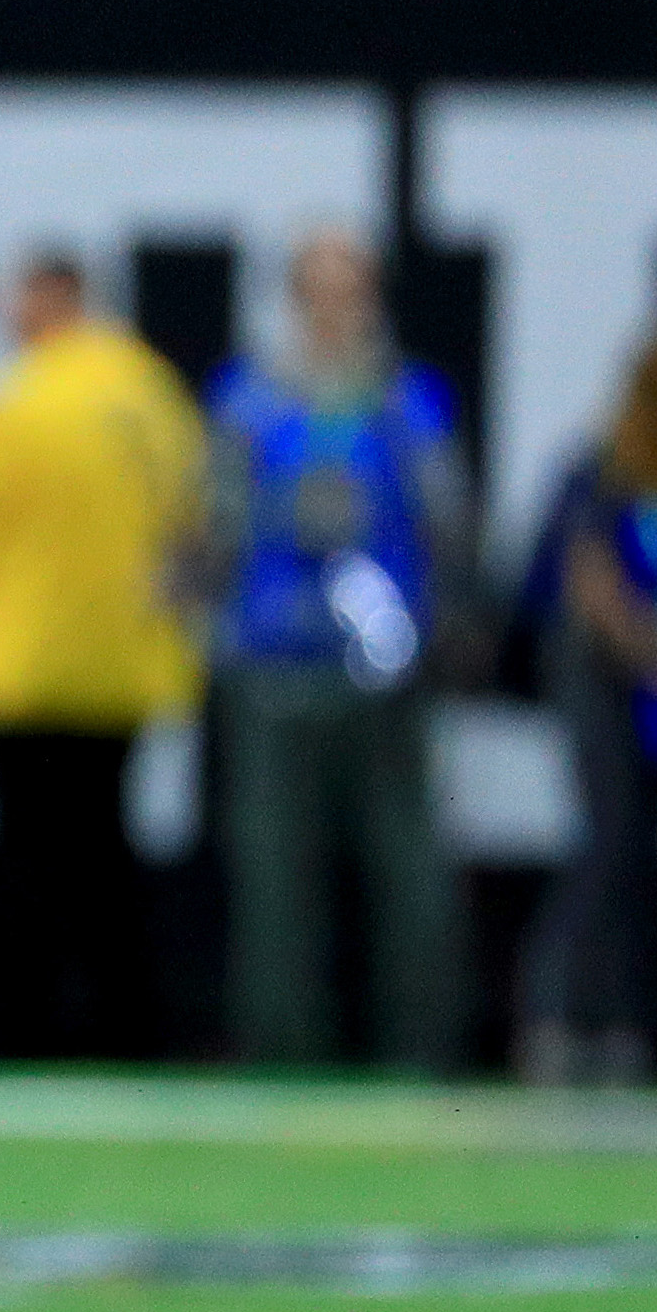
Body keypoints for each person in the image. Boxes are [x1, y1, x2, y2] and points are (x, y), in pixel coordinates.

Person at [0, 250, 205, 1058]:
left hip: (24, 662)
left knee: (23, 858)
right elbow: (193, 525)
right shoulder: (152, 394)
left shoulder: (14, 398)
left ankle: (14, 1030)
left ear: (53, 300)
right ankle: (126, 1030)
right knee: (108, 855)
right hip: (123, 666)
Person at [205, 228, 468, 1070]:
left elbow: (447, 522)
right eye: (314, 284)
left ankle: (418, 1051)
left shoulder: (407, 400)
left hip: (382, 665)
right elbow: (212, 524)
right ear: (292, 295)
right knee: (273, 875)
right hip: (275, 659)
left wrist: (446, 620)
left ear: (370, 294)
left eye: (346, 284)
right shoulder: (247, 400)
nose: (331, 302)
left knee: (408, 870)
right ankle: (284, 1051)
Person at [533, 325, 657, 1087]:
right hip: (607, 675)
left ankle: (630, 1014)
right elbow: (589, 579)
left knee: (647, 846)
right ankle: (557, 1011)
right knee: (610, 836)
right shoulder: (610, 463)